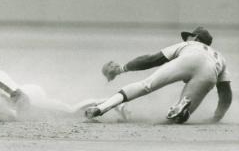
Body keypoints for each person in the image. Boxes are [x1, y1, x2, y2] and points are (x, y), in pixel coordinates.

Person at [0, 47, 127, 121]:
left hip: (30, 96)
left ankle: (112, 101)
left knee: (70, 112)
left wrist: (23, 120)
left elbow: (20, 98)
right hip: (15, 101)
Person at [85, 27, 232, 124]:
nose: (186, 39)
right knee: (178, 118)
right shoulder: (220, 57)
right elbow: (226, 94)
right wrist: (216, 118)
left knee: (146, 85)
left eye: (189, 36)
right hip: (210, 73)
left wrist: (122, 69)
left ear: (196, 38)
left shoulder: (189, 45)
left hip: (190, 59)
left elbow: (151, 60)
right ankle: (181, 107)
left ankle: (101, 108)